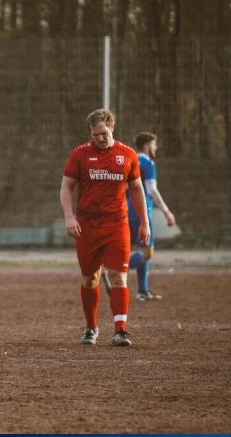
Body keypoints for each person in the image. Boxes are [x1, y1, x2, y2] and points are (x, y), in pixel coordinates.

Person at [60, 109, 151, 347]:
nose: (100, 138)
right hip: (87, 226)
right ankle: (91, 327)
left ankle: (120, 330)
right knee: (90, 279)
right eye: (95, 134)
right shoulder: (80, 154)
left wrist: (144, 222)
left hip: (116, 224)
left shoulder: (127, 154)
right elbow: (66, 187)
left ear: (112, 127)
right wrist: (70, 217)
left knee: (118, 276)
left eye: (103, 133)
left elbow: (137, 189)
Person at [123, 132, 176, 301]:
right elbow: (151, 190)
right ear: (146, 146)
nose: (156, 148)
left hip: (125, 209)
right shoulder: (148, 163)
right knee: (147, 253)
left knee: (141, 249)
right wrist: (167, 211)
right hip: (142, 210)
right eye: (154, 144)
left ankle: (143, 290)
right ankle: (116, 271)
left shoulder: (128, 161)